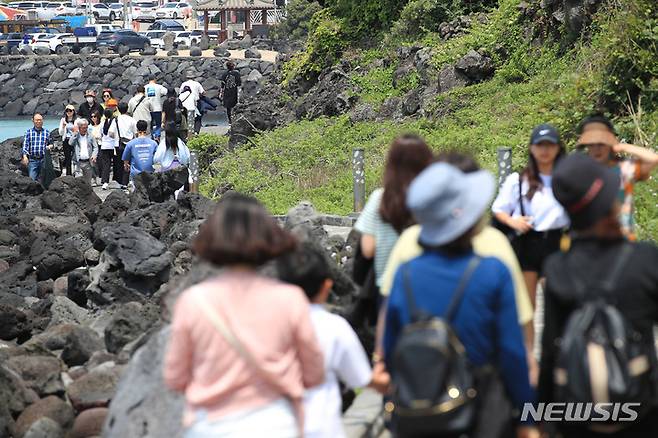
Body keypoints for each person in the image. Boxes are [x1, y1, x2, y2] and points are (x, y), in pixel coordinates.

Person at [384, 162, 536, 438]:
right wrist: (527, 414)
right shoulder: (492, 272)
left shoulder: (405, 275)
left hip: (420, 413)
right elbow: (512, 353)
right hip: (483, 413)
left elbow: (390, 350)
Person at [164, 194, 325, 437]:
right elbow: (314, 373)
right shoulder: (290, 299)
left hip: (211, 426)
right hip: (275, 424)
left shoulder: (193, 301)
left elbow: (175, 378)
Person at [539, 153, 658, 437]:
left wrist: (541, 418)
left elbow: (550, 352)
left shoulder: (557, 268)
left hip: (576, 418)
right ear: (610, 203)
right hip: (642, 414)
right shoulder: (645, 261)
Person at [277, 243, 390, 438]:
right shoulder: (334, 326)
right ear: (326, 287)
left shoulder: (268, 324)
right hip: (322, 428)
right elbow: (363, 379)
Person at [491, 123, 569, 308]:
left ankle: (554, 338)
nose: (544, 150)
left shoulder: (566, 180)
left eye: (549, 145)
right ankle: (527, 338)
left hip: (556, 242)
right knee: (526, 307)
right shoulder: (518, 180)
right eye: (540, 145)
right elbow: (498, 209)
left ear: (558, 148)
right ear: (531, 148)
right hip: (527, 243)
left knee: (555, 306)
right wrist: (512, 221)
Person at [354, 134, 433, 291]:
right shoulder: (433, 199)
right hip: (427, 287)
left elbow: (367, 250)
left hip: (388, 288)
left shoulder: (380, 198)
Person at [576, 114, 658, 241]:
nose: (597, 149)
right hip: (592, 242)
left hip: (623, 240)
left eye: (601, 144)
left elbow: (653, 159)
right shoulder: (581, 171)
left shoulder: (624, 168)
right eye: (592, 144)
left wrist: (623, 147)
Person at [22, 112, 52, 182]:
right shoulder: (28, 132)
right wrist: (25, 156)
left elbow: (51, 143)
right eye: (37, 120)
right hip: (33, 160)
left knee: (43, 180)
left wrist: (50, 146)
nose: (39, 121)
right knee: (32, 180)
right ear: (33, 120)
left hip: (43, 160)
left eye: (40, 120)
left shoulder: (47, 132)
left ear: (42, 120)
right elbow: (25, 145)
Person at [68, 118, 98, 184]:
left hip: (88, 162)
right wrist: (75, 133)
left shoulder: (90, 135)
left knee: (87, 183)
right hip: (78, 162)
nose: (85, 130)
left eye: (86, 128)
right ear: (79, 128)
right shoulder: (76, 136)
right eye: (83, 128)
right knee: (79, 183)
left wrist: (94, 155)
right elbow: (70, 143)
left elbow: (95, 147)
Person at [114, 102, 137, 189]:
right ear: (127, 109)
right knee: (129, 162)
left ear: (118, 109)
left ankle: (121, 182)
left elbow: (111, 133)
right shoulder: (132, 120)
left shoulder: (115, 119)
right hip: (129, 144)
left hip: (118, 144)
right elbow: (135, 133)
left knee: (120, 163)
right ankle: (126, 181)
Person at [98, 108, 118, 190]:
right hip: (113, 146)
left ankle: (105, 182)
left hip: (104, 146)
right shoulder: (115, 122)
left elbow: (100, 134)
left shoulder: (102, 123)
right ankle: (117, 180)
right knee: (116, 163)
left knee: (106, 164)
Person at [179, 70, 204, 134]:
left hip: (184, 104)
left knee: (186, 118)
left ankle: (187, 131)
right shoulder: (197, 84)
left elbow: (180, 93)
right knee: (198, 118)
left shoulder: (183, 84)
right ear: (193, 77)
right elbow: (203, 92)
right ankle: (196, 131)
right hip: (195, 102)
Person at [219, 61, 241, 125]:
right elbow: (239, 84)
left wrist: (221, 93)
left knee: (228, 108)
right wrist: (239, 93)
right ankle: (235, 119)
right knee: (235, 106)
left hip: (227, 92)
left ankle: (230, 120)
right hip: (234, 91)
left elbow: (222, 84)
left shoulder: (224, 74)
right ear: (233, 66)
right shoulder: (237, 74)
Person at [58, 104, 77, 176]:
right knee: (67, 158)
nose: (68, 112)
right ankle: (68, 174)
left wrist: (68, 125)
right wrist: (63, 127)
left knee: (75, 157)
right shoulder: (63, 120)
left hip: (74, 140)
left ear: (73, 111)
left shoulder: (77, 120)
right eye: (67, 110)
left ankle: (76, 173)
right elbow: (60, 133)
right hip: (66, 140)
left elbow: (76, 130)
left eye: (70, 110)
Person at [88, 110, 103, 186]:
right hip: (92, 145)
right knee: (92, 162)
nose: (93, 118)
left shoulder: (101, 125)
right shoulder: (90, 127)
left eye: (95, 116)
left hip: (100, 144)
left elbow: (102, 135)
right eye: (92, 117)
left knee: (100, 161)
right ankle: (93, 179)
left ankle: (101, 178)